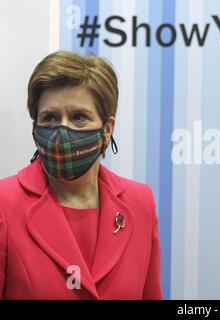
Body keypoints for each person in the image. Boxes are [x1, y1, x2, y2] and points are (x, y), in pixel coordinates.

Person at [0, 51, 162, 299]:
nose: (62, 131)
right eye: (50, 117)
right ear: (35, 126)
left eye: (78, 117)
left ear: (107, 129)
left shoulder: (140, 202)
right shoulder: (4, 203)